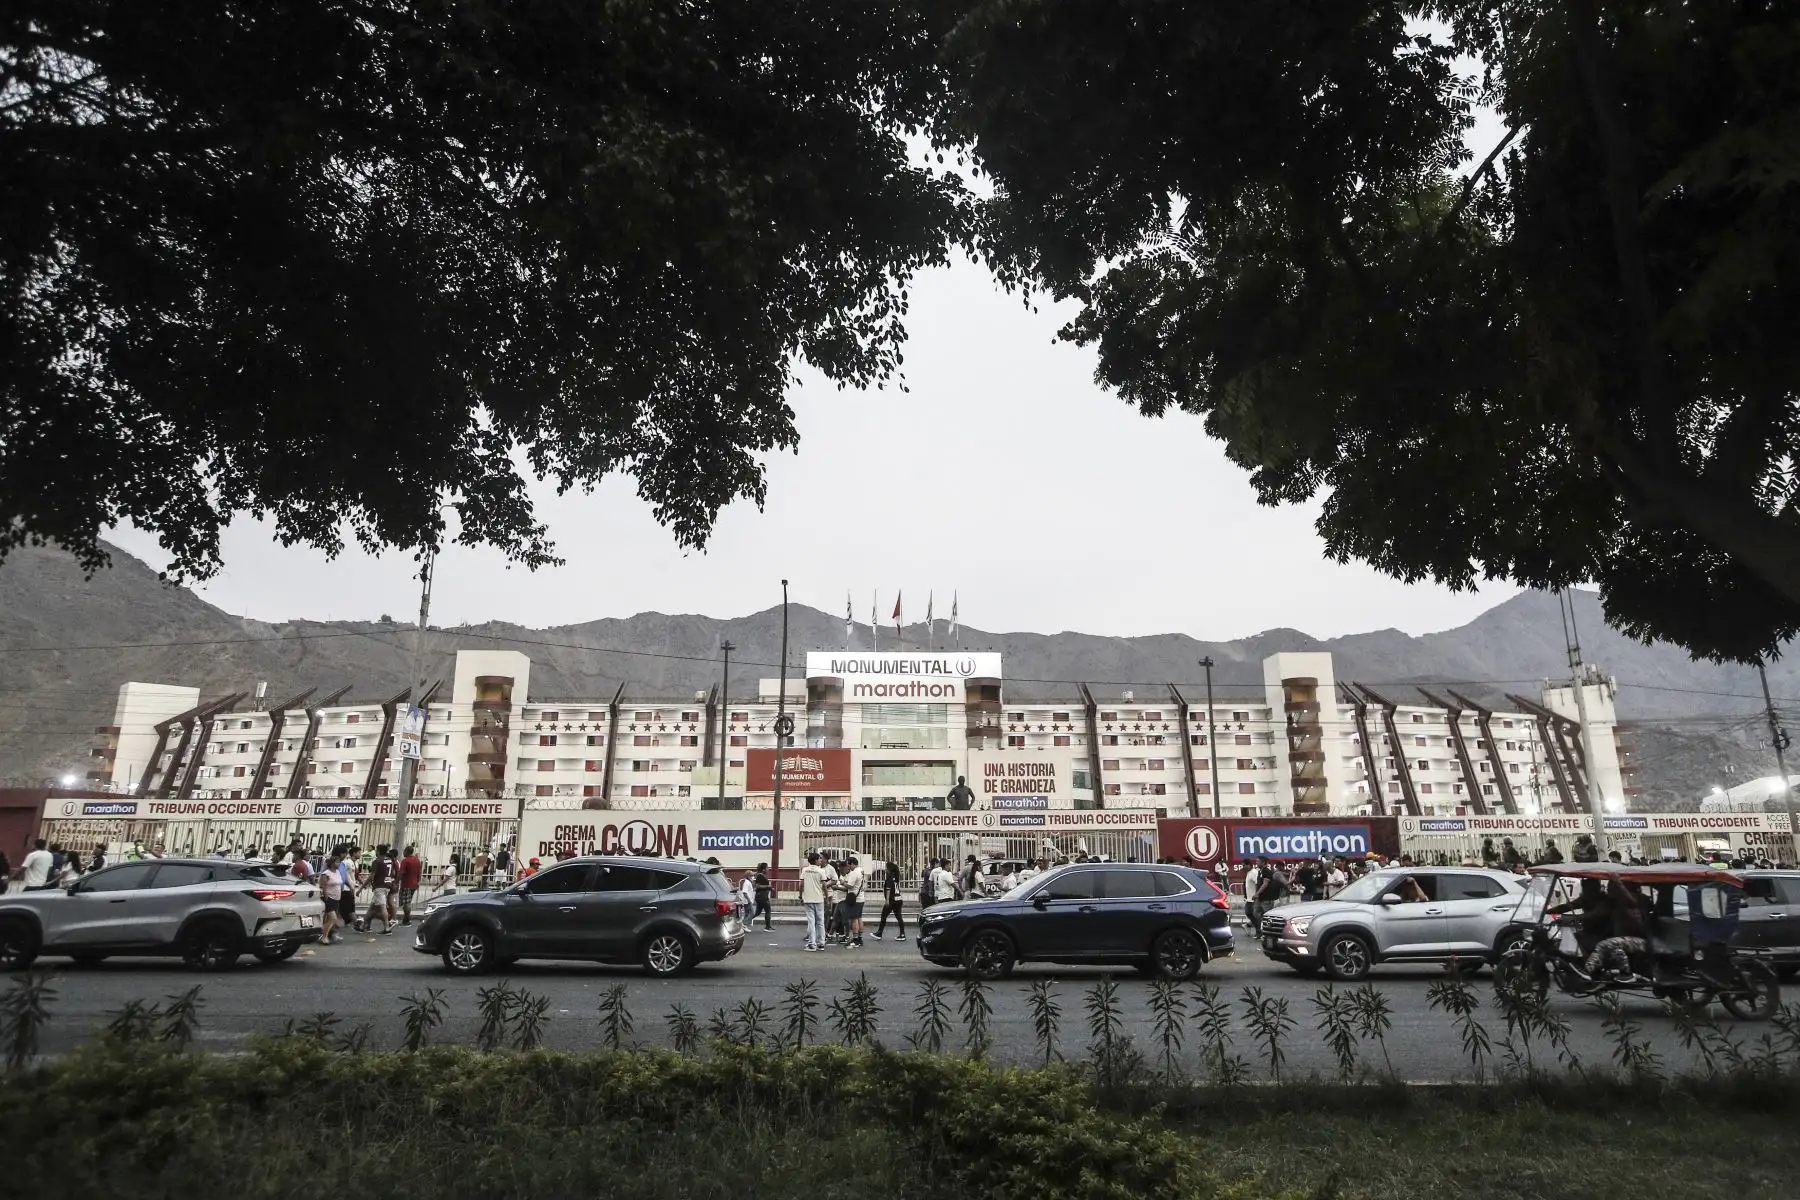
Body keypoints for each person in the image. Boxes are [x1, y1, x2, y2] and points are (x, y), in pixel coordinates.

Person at [362, 845, 395, 935]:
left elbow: (371, 875)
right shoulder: (389, 860)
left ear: (379, 851)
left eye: (377, 850)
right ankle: (363, 926)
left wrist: (362, 887)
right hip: (387, 885)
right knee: (372, 908)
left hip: (379, 885)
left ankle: (387, 928)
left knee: (382, 907)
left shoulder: (377, 861)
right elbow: (392, 873)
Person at [799, 851, 828, 952]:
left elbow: (801, 885)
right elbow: (824, 885)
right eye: (819, 859)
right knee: (820, 921)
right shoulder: (821, 871)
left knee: (811, 921)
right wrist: (826, 897)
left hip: (808, 898)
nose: (821, 860)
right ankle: (821, 943)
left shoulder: (805, 870)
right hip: (819, 898)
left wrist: (800, 895)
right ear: (815, 860)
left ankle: (812, 943)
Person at [872, 859, 907, 941]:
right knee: (899, 917)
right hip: (898, 899)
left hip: (891, 900)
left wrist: (887, 900)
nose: (885, 869)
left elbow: (888, 889)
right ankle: (902, 934)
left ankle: (879, 933)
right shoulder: (896, 878)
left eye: (886, 868)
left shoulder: (889, 878)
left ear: (889, 869)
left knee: (883, 916)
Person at [318, 850, 346, 944]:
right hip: (329, 898)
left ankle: (323, 934)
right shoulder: (326, 873)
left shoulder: (337, 872)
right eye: (337, 862)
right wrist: (326, 898)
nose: (339, 864)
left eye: (339, 862)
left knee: (330, 919)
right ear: (332, 863)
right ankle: (324, 936)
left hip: (336, 898)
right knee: (333, 918)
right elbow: (323, 886)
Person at [839, 854, 867, 948]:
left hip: (854, 898)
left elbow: (850, 886)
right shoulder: (861, 870)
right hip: (861, 897)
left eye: (848, 865)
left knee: (854, 919)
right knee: (859, 918)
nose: (848, 867)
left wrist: (843, 883)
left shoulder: (854, 873)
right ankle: (860, 938)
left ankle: (855, 940)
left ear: (852, 864)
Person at [398, 844, 423, 925]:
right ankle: (406, 919)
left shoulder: (405, 861)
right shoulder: (417, 860)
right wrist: (418, 881)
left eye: (404, 851)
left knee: (406, 903)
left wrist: (396, 881)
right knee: (408, 901)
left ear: (406, 851)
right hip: (414, 884)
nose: (403, 853)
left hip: (406, 884)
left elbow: (401, 873)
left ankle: (407, 920)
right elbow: (419, 872)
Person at [752, 863, 773, 930]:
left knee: (758, 912)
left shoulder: (762, 875)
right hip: (762, 896)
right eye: (767, 868)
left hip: (762, 896)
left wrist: (770, 888)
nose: (768, 869)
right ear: (763, 869)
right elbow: (757, 886)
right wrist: (768, 886)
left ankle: (744, 921)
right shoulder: (760, 876)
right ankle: (768, 927)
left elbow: (762, 886)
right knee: (768, 911)